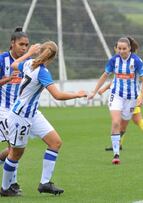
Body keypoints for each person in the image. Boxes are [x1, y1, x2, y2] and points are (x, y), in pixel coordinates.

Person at [0, 41, 87, 197]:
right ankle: (5, 188)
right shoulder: (42, 72)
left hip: (32, 113)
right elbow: (58, 95)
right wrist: (77, 94)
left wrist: (29, 53)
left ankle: (45, 183)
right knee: (15, 153)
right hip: (21, 116)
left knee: (55, 142)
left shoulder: (29, 63)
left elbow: (14, 65)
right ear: (53, 57)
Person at [88, 37, 143, 164]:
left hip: (131, 98)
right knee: (115, 122)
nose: (121, 51)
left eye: (124, 48)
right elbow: (105, 75)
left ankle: (117, 143)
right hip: (116, 95)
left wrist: (141, 97)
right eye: (119, 48)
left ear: (129, 48)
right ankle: (116, 155)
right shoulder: (113, 60)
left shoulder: (136, 61)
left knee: (122, 127)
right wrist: (94, 91)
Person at [0, 27, 29, 194]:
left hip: (19, 112)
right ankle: (11, 184)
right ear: (12, 43)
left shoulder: (26, 62)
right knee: (15, 149)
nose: (24, 48)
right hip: (3, 109)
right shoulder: (2, 59)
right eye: (21, 44)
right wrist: (7, 79)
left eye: (26, 45)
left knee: (14, 149)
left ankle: (10, 182)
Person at [99, 82, 143, 151]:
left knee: (136, 120)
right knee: (132, 121)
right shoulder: (135, 72)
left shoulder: (125, 72)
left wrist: (103, 89)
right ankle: (118, 144)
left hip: (129, 98)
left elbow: (114, 81)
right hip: (131, 97)